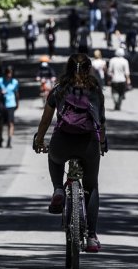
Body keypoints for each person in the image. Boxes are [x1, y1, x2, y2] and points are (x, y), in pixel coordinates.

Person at [32, 53, 108, 253]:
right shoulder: (95, 91)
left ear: (68, 67)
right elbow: (101, 122)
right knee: (91, 187)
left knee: (55, 159)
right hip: (88, 143)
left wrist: (39, 140)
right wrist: (102, 142)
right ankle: (91, 237)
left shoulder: (58, 90)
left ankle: (58, 189)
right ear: (88, 69)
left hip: (62, 141)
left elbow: (46, 120)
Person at [0, 65, 19, 148]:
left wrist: (17, 103)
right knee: (0, 123)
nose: (9, 75)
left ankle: (9, 140)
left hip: (11, 104)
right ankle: (0, 138)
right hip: (1, 104)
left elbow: (16, 93)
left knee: (10, 123)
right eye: (8, 73)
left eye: (11, 73)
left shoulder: (15, 82)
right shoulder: (0, 81)